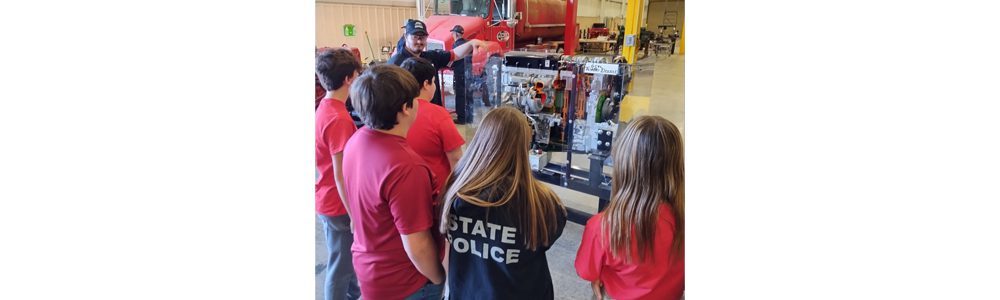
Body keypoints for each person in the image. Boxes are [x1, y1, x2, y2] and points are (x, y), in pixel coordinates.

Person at [438, 106, 568, 299]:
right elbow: (546, 239)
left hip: (467, 292)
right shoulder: (543, 202)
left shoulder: (455, 192)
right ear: (525, 145)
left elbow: (448, 242)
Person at [342, 64, 446, 300]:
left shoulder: (356, 141)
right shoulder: (407, 167)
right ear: (405, 108)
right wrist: (438, 277)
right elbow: (417, 244)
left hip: (369, 268)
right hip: (405, 283)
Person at [574, 115, 685, 300]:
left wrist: (599, 277)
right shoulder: (681, 222)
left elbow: (585, 271)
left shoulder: (603, 227)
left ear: (623, 166)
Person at [315, 48, 363, 300]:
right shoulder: (338, 119)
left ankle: (355, 295)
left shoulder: (325, 107)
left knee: (346, 259)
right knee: (340, 267)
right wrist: (353, 212)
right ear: (348, 79)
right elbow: (341, 174)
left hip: (326, 197)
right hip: (337, 204)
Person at [399, 57, 466, 193]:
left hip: (403, 191)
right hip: (435, 193)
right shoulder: (438, 114)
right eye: (434, 82)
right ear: (426, 84)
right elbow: (456, 158)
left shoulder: (394, 113)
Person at [388, 19, 487, 107]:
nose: (419, 41)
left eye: (422, 37)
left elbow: (454, 54)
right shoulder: (395, 64)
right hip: (411, 119)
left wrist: (471, 43)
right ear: (405, 37)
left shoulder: (430, 57)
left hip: (433, 113)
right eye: (415, 37)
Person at [449, 25, 472, 124]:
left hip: (460, 73)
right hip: (470, 73)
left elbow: (453, 59)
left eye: (453, 33)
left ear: (455, 34)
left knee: (460, 96)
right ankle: (470, 117)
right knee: (469, 95)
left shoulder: (456, 45)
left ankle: (462, 118)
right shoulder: (468, 43)